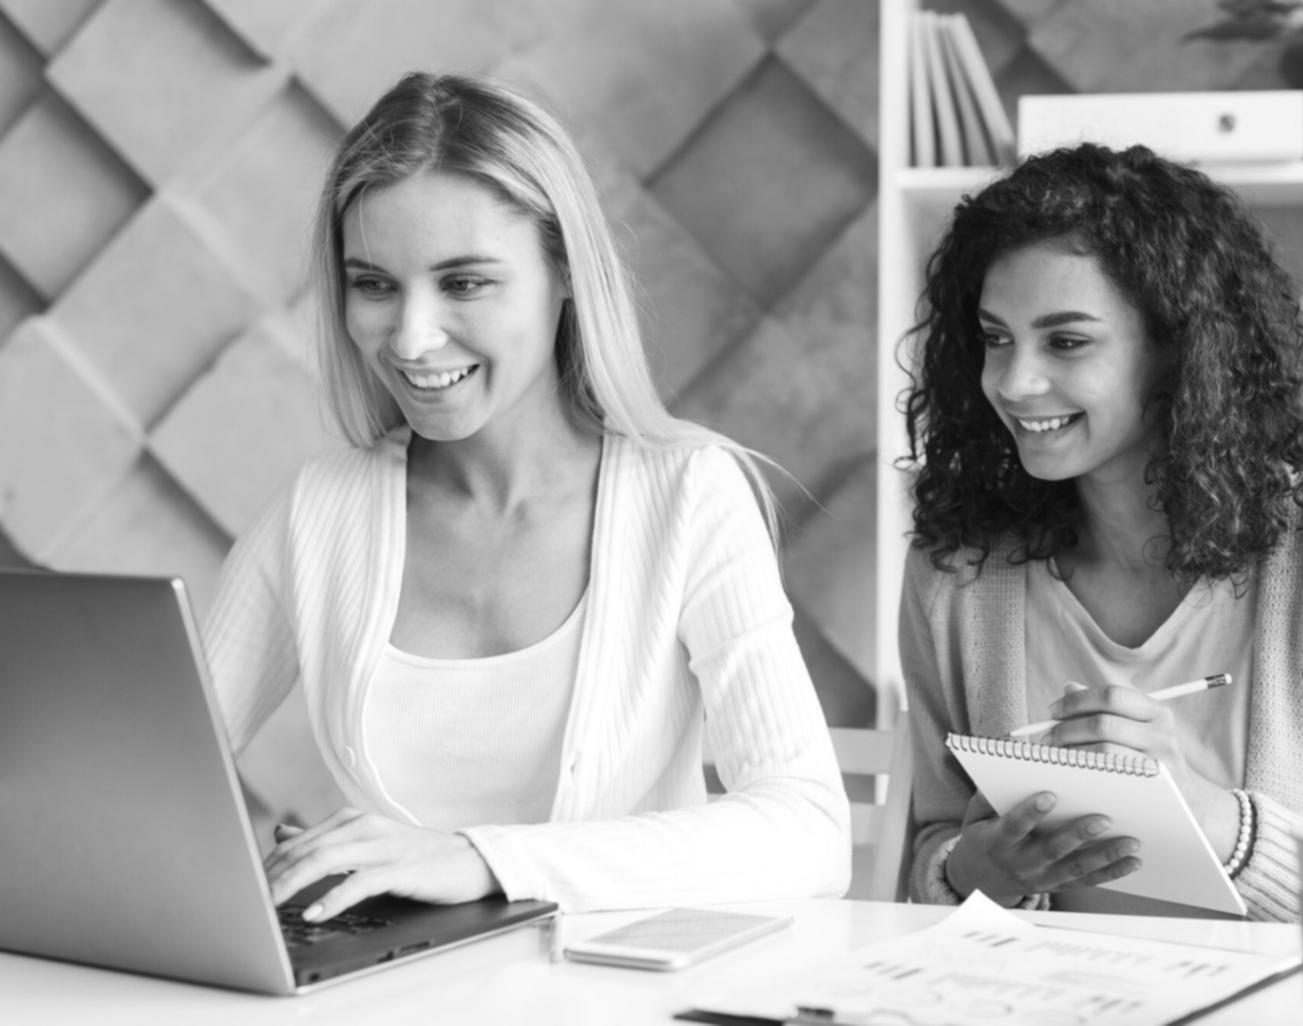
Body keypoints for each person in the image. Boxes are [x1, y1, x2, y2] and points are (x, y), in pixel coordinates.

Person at [205, 71, 849, 921]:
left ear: (566, 272)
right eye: (375, 284)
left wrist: (483, 860)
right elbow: (145, 766)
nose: (411, 338)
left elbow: (809, 832)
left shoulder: (687, 495)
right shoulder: (320, 512)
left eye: (464, 283)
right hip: (388, 986)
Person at [898, 142, 1303, 925]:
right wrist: (978, 869)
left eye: (1066, 341)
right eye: (996, 337)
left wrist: (1213, 822)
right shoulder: (957, 570)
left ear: (1177, 350)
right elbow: (933, 846)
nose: (1012, 381)